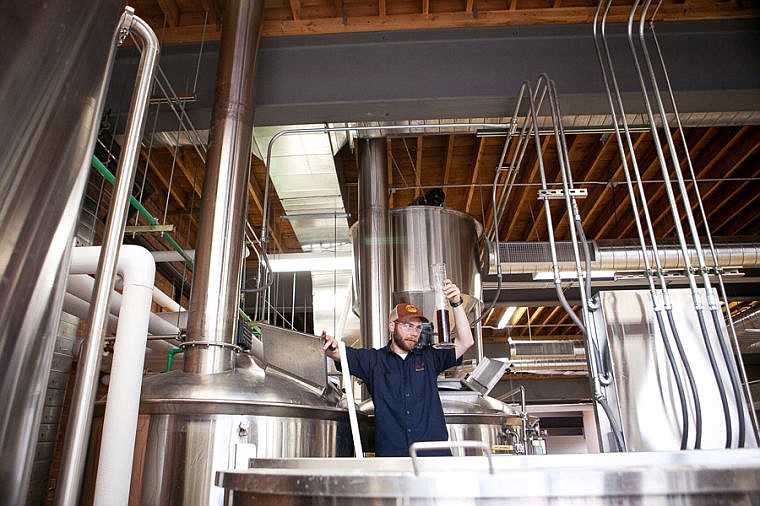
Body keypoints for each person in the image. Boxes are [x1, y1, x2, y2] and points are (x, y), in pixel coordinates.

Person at [321, 279, 474, 457]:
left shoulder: (430, 357)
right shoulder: (373, 360)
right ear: (392, 326)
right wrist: (331, 346)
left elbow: (466, 342)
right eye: (408, 325)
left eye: (418, 328)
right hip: (392, 458)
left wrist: (456, 303)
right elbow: (338, 352)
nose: (414, 333)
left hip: (433, 457)